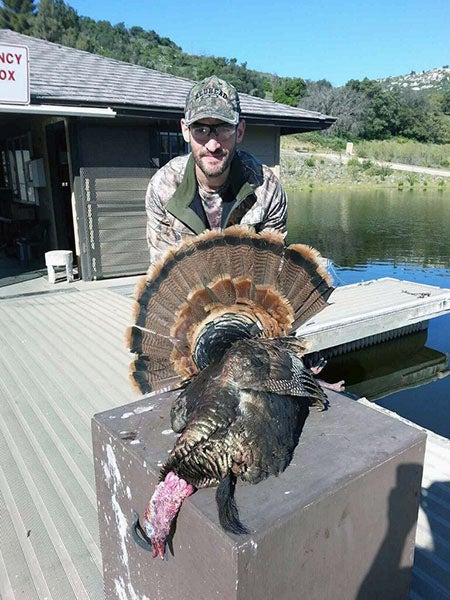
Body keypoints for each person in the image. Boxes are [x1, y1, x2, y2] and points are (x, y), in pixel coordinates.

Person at [145, 75, 288, 265]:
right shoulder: (162, 187)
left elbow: (271, 268)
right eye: (200, 130)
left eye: (224, 129)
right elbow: (163, 273)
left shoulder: (266, 187)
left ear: (240, 131)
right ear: (185, 130)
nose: (213, 145)